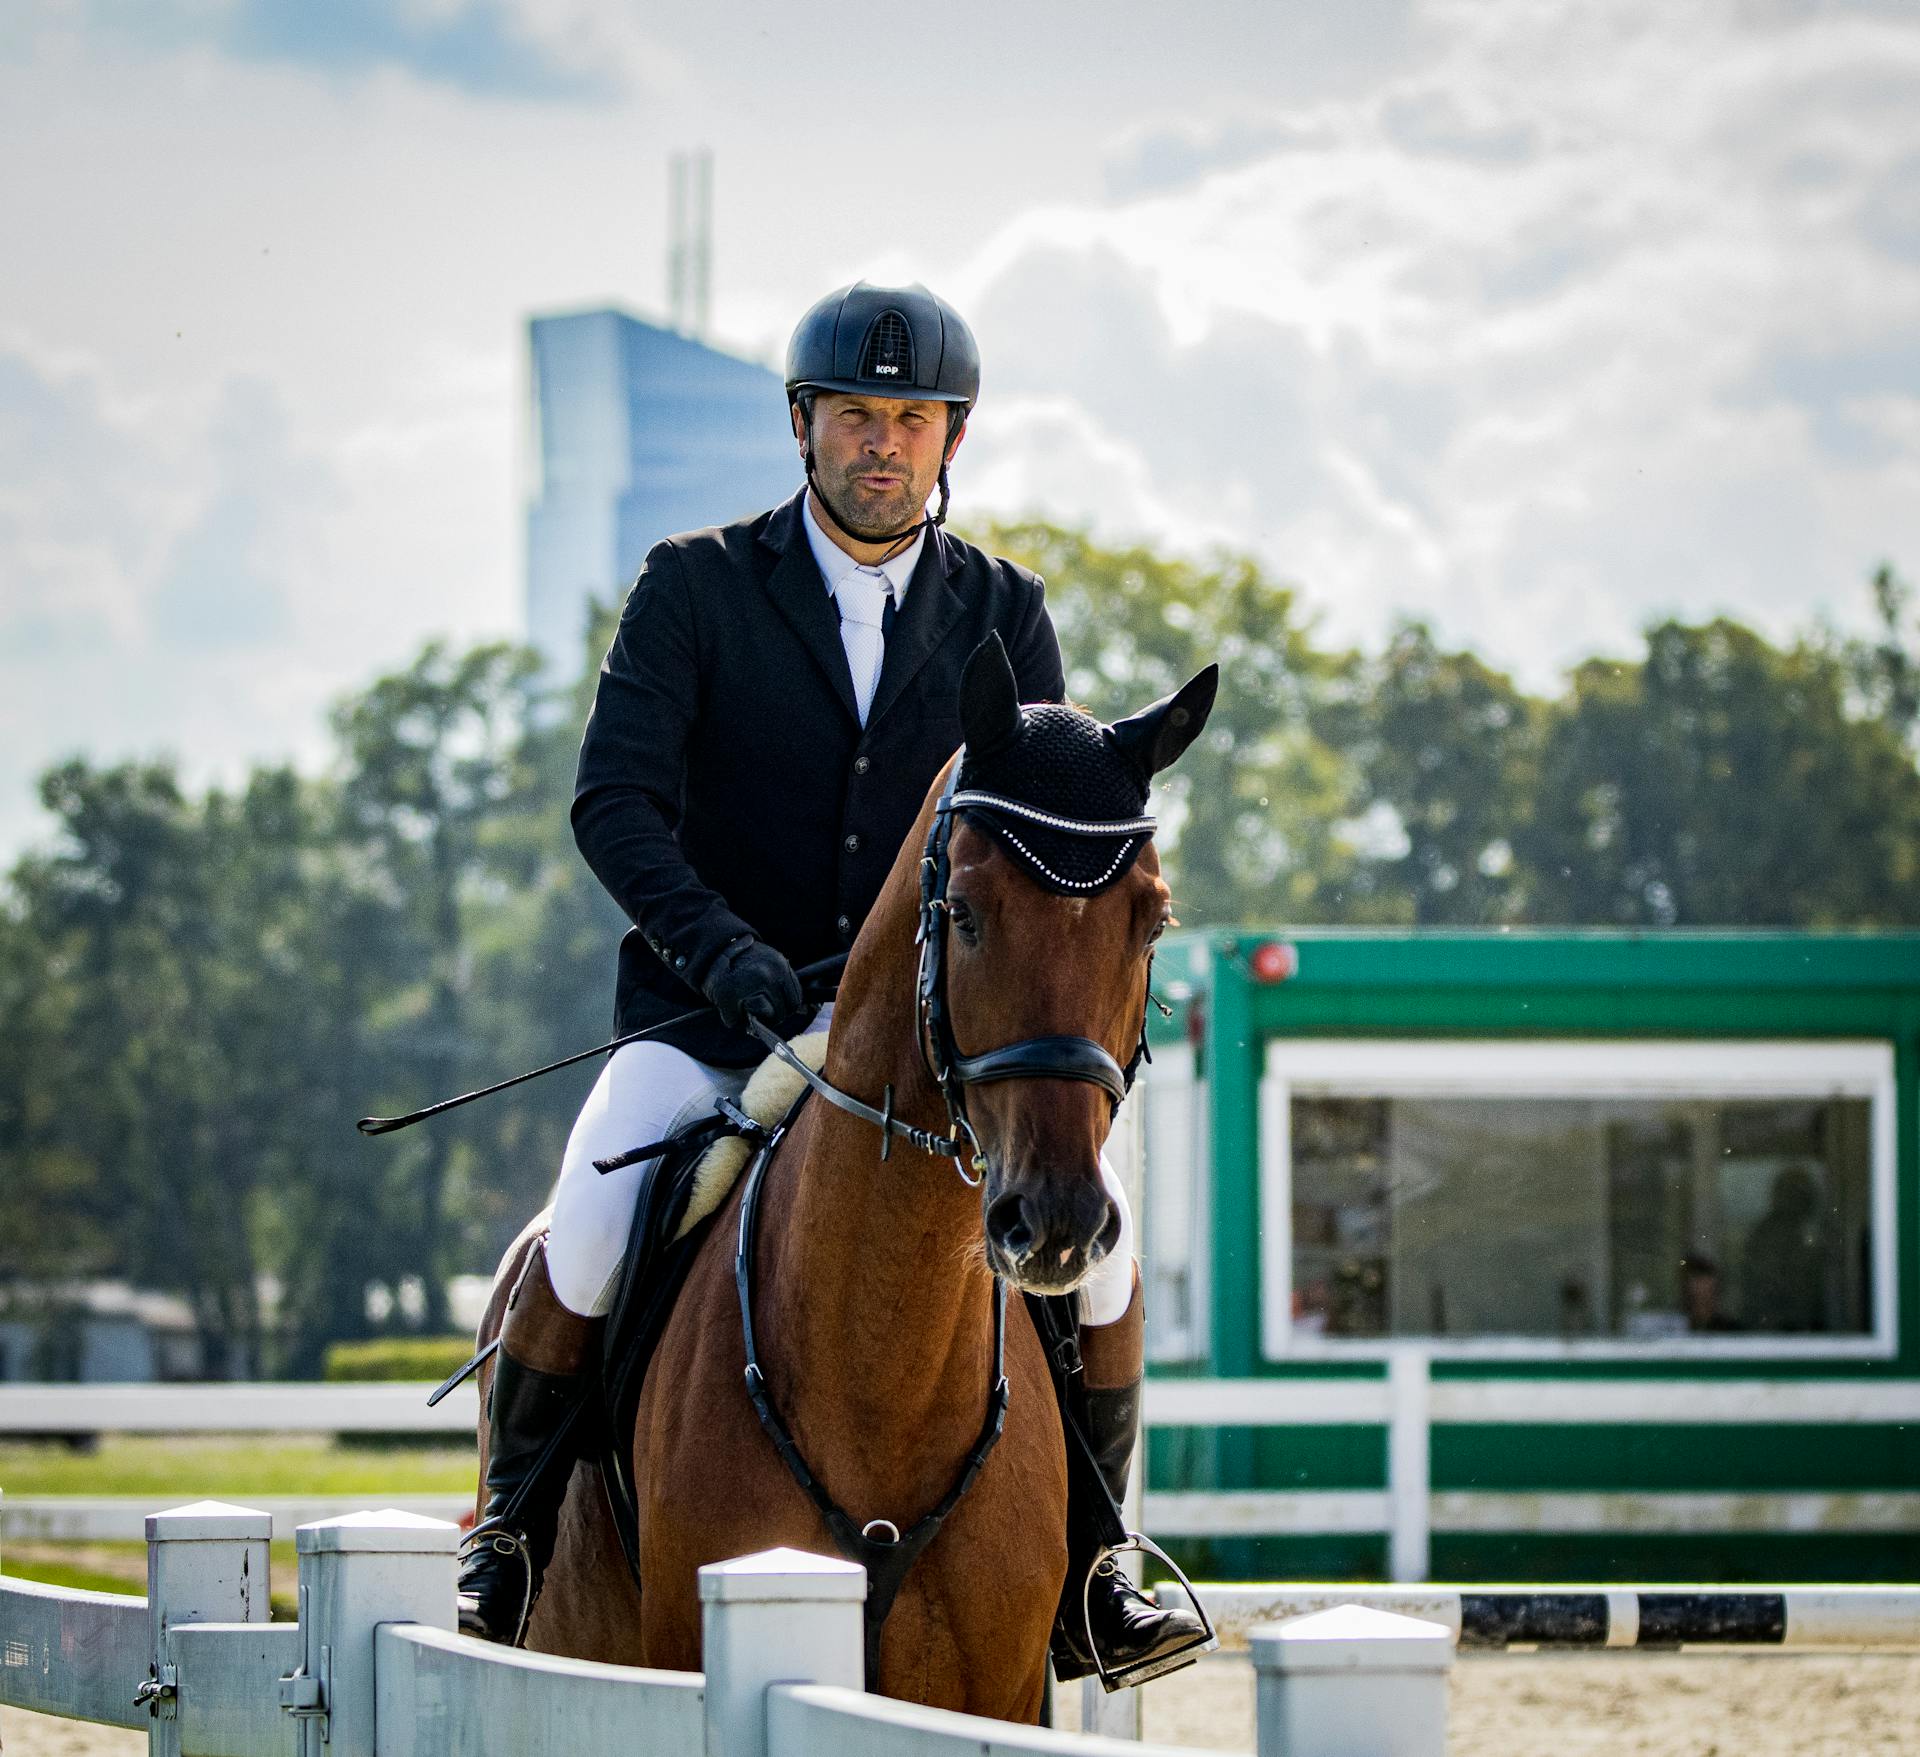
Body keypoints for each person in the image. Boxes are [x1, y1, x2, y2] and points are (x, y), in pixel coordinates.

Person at [458, 280, 1208, 1683]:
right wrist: (717, 948)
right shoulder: (695, 586)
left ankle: (1098, 1569)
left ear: (951, 441)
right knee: (598, 1207)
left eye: (911, 420)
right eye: (857, 416)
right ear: (804, 427)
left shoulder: (1004, 611)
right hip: (710, 1014)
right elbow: (613, 803)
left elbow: (1034, 853)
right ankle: (508, 1534)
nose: (883, 443)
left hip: (929, 1042)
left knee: (1093, 1260)